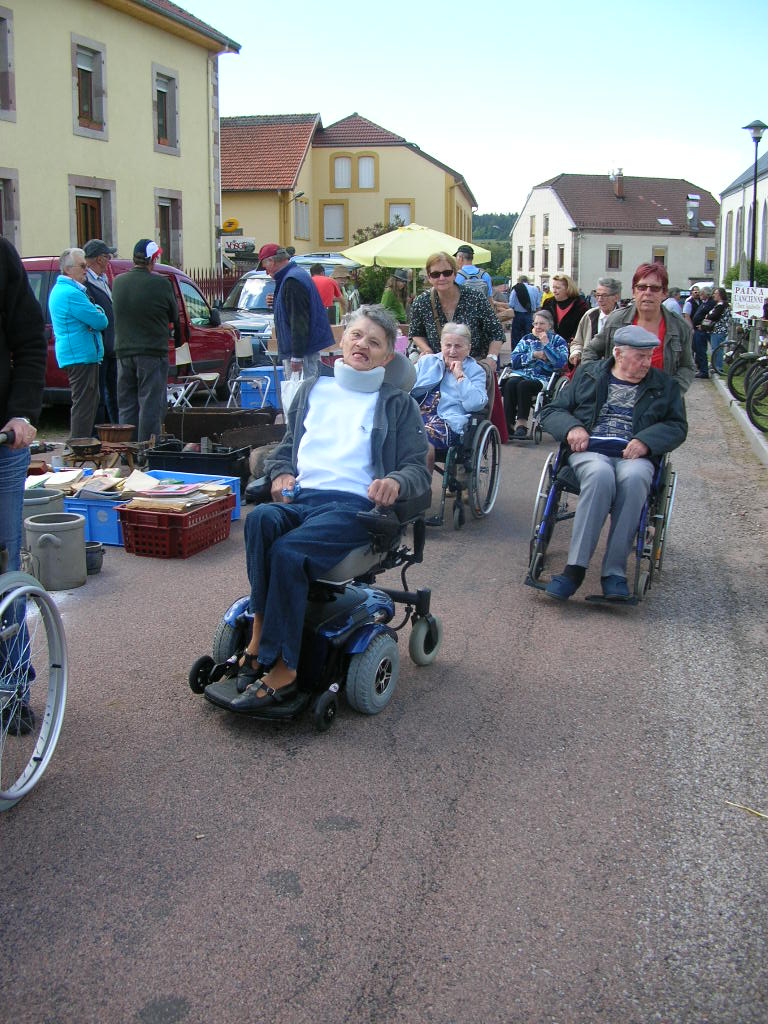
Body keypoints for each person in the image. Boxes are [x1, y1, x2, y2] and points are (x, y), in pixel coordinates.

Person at [231, 305, 430, 711]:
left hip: (356, 508)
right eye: (357, 335)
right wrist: (281, 471)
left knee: (289, 552)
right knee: (261, 521)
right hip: (303, 499)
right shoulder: (311, 390)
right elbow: (287, 448)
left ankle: (284, 669)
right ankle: (260, 636)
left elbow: (416, 468)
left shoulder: (396, 403)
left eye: (375, 342)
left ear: (387, 357)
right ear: (343, 339)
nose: (363, 345)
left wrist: (394, 481)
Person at [539, 325, 688, 601]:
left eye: (649, 356)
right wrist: (572, 427)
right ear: (618, 354)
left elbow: (677, 426)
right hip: (591, 451)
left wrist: (646, 440)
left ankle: (614, 572)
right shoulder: (588, 375)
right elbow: (552, 410)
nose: (647, 362)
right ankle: (575, 568)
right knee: (599, 474)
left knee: (635, 479)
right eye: (640, 356)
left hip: (636, 456)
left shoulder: (664, 386)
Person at [0, 239, 46, 735]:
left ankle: (12, 687)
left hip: (3, 445)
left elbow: (29, 341)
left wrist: (22, 414)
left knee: (3, 572)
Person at [582, 263, 695, 394]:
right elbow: (590, 351)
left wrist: (672, 393)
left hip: (660, 405)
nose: (647, 293)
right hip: (617, 401)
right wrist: (597, 380)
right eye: (641, 287)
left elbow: (687, 366)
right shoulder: (616, 320)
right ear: (634, 291)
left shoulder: (679, 327)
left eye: (654, 288)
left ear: (664, 293)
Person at [112, 239, 180, 442]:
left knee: (127, 404)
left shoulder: (118, 282)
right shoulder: (161, 283)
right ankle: (146, 450)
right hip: (152, 351)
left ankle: (127, 448)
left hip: (124, 352)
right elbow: (174, 315)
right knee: (150, 403)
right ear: (152, 259)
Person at [48, 247, 108, 439]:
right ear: (68, 269)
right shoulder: (71, 293)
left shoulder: (65, 290)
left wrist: (95, 311)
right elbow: (100, 321)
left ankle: (80, 445)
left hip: (80, 354)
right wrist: (99, 309)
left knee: (89, 401)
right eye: (82, 266)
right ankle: (77, 447)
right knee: (84, 404)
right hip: (80, 356)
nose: (86, 269)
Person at [411, 322, 488, 471]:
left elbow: (475, 404)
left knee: (419, 438)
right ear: (441, 345)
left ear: (468, 348)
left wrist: (460, 377)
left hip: (447, 422)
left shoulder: (475, 371)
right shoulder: (426, 362)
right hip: (416, 415)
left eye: (458, 346)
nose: (452, 351)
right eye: (448, 345)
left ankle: (420, 491)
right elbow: (404, 385)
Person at [408, 251, 504, 370]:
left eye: (447, 273)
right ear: (429, 277)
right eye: (435, 274)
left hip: (474, 368)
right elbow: (416, 333)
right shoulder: (421, 302)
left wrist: (491, 358)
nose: (442, 278)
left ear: (455, 273)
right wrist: (427, 351)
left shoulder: (475, 297)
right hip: (438, 369)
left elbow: (496, 332)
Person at [257, 243, 334, 379]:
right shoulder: (294, 276)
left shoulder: (292, 281)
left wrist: (297, 356)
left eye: (265, 266)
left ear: (272, 261)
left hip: (303, 352)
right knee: (303, 392)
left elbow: (299, 320)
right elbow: (295, 311)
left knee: (301, 394)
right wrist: (277, 301)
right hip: (305, 350)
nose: (266, 272)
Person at [500, 309, 568, 438]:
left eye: (541, 324)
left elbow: (559, 363)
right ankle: (507, 425)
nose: (538, 327)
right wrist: (533, 355)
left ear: (550, 325)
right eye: (535, 324)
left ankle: (521, 424)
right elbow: (514, 360)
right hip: (522, 373)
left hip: (543, 377)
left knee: (524, 385)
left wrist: (546, 345)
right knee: (510, 383)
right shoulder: (526, 339)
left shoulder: (558, 341)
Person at [83, 239, 118, 424]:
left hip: (111, 347)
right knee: (99, 396)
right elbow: (96, 317)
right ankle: (99, 433)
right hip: (99, 348)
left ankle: (116, 430)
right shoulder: (86, 283)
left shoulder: (103, 280)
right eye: (107, 256)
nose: (109, 260)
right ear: (99, 259)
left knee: (113, 394)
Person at [570, 278, 622, 367]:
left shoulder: (623, 318)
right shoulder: (589, 315)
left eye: (605, 295)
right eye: (597, 295)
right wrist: (576, 352)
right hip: (589, 369)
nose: (600, 299)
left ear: (616, 297)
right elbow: (577, 342)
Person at [542, 274, 590, 354]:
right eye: (553, 287)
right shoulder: (548, 303)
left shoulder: (580, 305)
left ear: (568, 288)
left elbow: (582, 328)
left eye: (558, 288)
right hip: (549, 347)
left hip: (571, 349)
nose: (554, 291)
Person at [700, 287, 731, 376]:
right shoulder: (720, 304)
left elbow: (713, 316)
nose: (714, 295)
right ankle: (716, 365)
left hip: (719, 329)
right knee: (716, 348)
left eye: (716, 294)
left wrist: (707, 316)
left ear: (720, 295)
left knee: (717, 349)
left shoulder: (721, 304)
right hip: (718, 329)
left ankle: (718, 367)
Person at [508, 274, 542, 347]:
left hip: (518, 315)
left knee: (516, 337)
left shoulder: (516, 289)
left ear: (519, 281)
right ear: (528, 281)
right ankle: (529, 352)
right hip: (530, 315)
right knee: (529, 335)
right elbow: (538, 305)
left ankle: (516, 353)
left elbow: (511, 304)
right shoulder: (535, 289)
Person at [691, 287, 716, 379]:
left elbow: (710, 317)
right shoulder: (704, 303)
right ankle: (701, 368)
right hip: (697, 329)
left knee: (701, 350)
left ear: (707, 294)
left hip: (702, 330)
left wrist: (703, 326)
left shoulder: (711, 304)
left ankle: (704, 371)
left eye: (702, 293)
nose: (700, 295)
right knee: (697, 349)